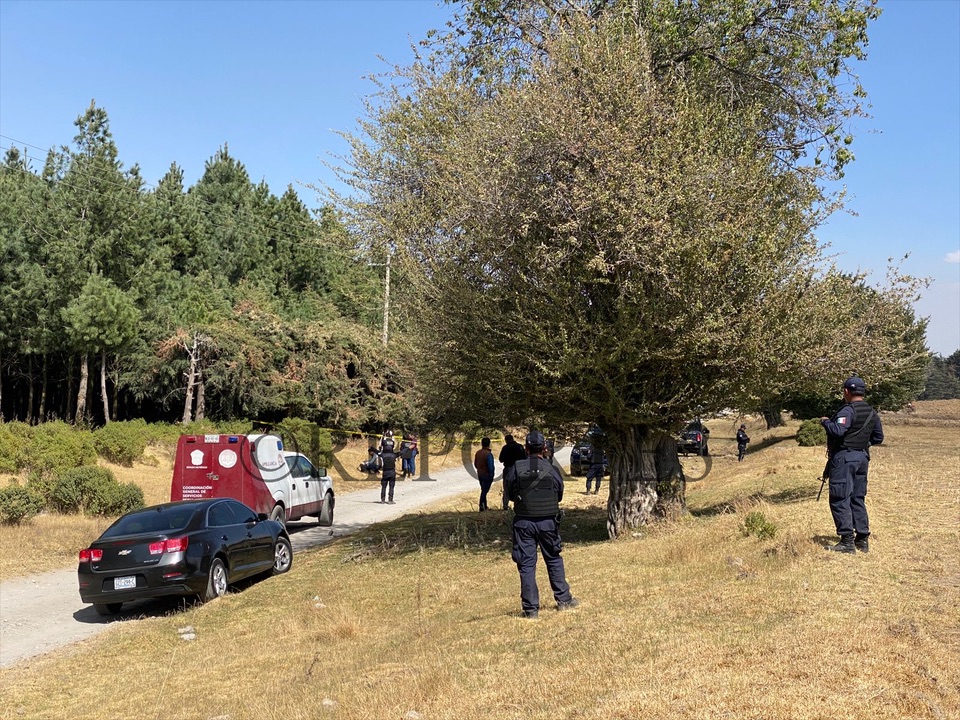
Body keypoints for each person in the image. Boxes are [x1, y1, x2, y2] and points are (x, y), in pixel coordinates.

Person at [506, 431, 578, 618]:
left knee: (527, 565)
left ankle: (530, 610)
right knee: (553, 559)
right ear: (544, 448)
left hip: (524, 523)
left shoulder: (517, 468)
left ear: (526, 448)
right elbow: (559, 493)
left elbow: (510, 494)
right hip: (548, 522)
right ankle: (564, 600)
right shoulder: (551, 468)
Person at [821, 376, 884, 553]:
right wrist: (861, 444)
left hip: (845, 458)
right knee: (858, 497)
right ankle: (862, 539)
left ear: (847, 391)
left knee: (840, 496)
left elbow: (838, 430)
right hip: (862, 458)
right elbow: (878, 438)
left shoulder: (847, 411)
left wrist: (825, 422)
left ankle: (847, 541)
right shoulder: (871, 412)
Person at [498, 434, 526, 509]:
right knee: (520, 486)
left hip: (509, 468)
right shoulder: (520, 447)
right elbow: (525, 457)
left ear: (506, 440)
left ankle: (505, 505)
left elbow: (501, 459)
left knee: (506, 486)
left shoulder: (506, 448)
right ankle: (520, 504)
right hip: (520, 468)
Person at [474, 436, 495, 511]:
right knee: (484, 491)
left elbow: (475, 464)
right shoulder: (488, 454)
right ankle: (482, 507)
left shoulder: (478, 453)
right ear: (489, 444)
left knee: (483, 490)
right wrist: (492, 474)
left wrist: (479, 469)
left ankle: (484, 506)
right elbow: (490, 466)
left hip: (480, 474)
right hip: (487, 474)